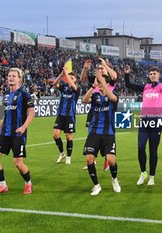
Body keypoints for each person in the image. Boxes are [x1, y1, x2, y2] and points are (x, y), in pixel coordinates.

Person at [124, 59, 162, 186]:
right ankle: (143, 173)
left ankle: (152, 176)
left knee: (153, 150)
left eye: (155, 73)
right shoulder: (145, 87)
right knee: (141, 147)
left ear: (158, 75)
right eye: (151, 73)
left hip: (157, 121)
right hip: (144, 120)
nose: (153, 75)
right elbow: (129, 85)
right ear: (149, 75)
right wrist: (126, 74)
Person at [0, 68, 35, 196]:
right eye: (9, 76)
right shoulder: (5, 95)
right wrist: (0, 126)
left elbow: (32, 112)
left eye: (14, 76)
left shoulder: (24, 94)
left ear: (19, 79)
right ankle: (2, 185)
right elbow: (6, 114)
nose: (11, 78)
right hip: (4, 133)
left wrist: (23, 127)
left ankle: (28, 183)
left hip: (18, 134)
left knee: (18, 164)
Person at [82, 67, 121, 196]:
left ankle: (114, 180)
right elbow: (84, 100)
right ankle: (96, 185)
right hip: (94, 132)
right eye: (98, 80)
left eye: (100, 80)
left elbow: (114, 99)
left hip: (108, 133)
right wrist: (93, 86)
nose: (99, 82)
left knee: (111, 160)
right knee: (89, 159)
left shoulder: (112, 96)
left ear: (106, 83)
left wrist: (103, 82)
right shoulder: (95, 95)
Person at [81, 58, 117, 171]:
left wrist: (105, 65)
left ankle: (107, 159)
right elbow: (83, 79)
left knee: (107, 133)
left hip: (107, 108)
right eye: (99, 68)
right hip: (95, 107)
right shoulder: (96, 80)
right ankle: (93, 157)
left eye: (102, 68)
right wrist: (85, 68)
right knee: (91, 131)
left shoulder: (109, 80)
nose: (100, 70)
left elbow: (115, 76)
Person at [53, 67, 80, 165]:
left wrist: (67, 75)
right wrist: (61, 74)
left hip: (70, 116)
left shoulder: (77, 89)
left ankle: (68, 156)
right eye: (69, 78)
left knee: (68, 137)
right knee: (55, 135)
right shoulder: (64, 87)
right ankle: (62, 153)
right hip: (60, 115)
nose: (70, 79)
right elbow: (54, 84)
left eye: (72, 78)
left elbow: (73, 86)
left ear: (75, 80)